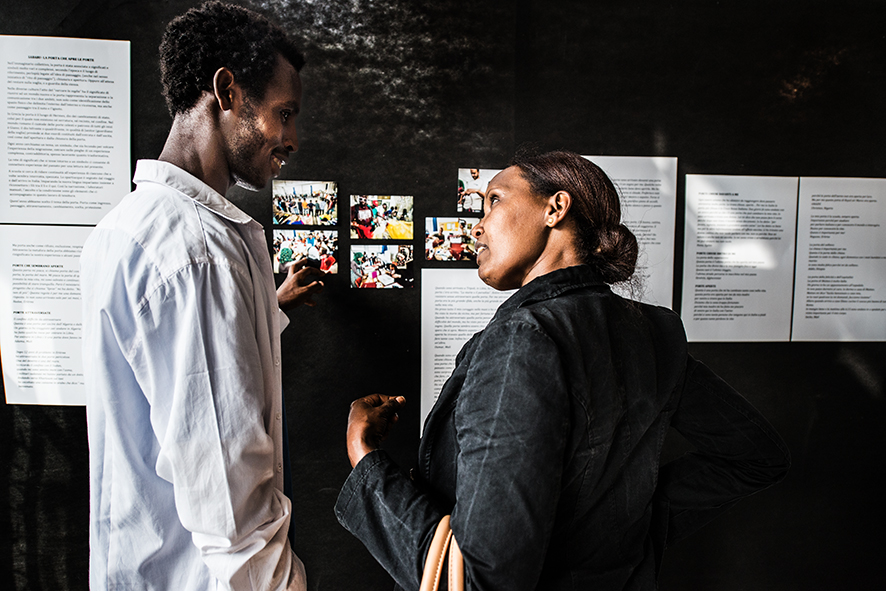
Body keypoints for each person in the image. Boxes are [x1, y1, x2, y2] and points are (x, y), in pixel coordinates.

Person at [335, 150, 790, 590]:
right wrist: (624, 525)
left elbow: (480, 581)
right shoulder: (653, 332)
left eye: (494, 200)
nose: (477, 226)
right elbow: (756, 455)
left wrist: (365, 458)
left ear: (555, 208)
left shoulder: (522, 339)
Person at [80, 2, 325, 589]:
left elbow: (163, 374)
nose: (292, 139)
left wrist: (267, 310)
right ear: (227, 91)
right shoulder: (198, 254)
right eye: (283, 114)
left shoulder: (123, 227)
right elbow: (231, 506)